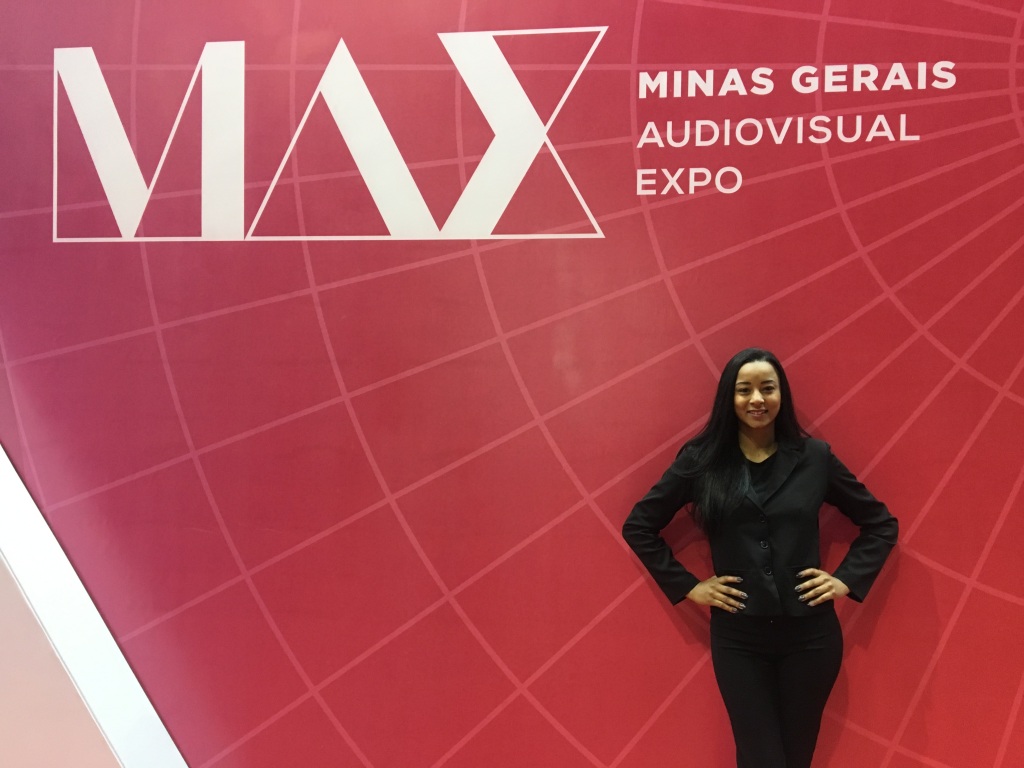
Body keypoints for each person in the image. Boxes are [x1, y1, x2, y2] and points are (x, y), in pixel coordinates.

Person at [622, 347, 897, 768]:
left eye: (767, 388)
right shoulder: (702, 461)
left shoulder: (814, 458)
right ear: (728, 398)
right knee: (762, 759)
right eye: (744, 389)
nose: (756, 399)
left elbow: (880, 523)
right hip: (739, 639)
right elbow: (640, 525)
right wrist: (690, 587)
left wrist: (845, 579)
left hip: (810, 637)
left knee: (794, 760)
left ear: (781, 395)